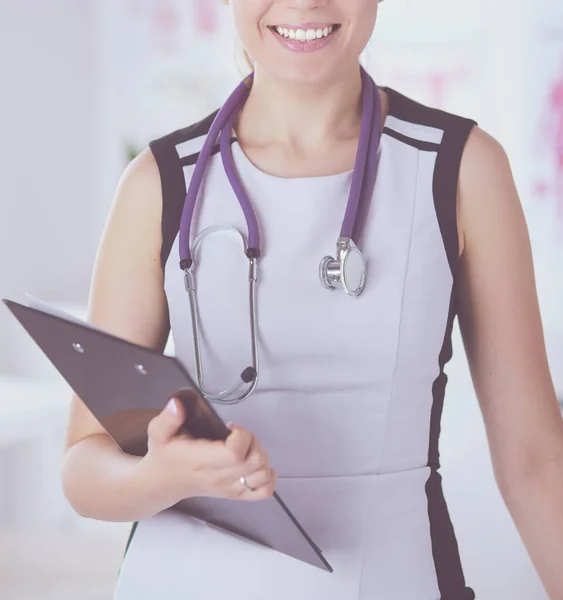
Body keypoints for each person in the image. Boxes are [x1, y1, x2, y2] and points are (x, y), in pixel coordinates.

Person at [61, 1, 563, 598]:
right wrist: (158, 477)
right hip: (181, 578)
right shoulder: (158, 183)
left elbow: (534, 461)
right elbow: (82, 469)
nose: (304, 3)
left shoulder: (461, 170)